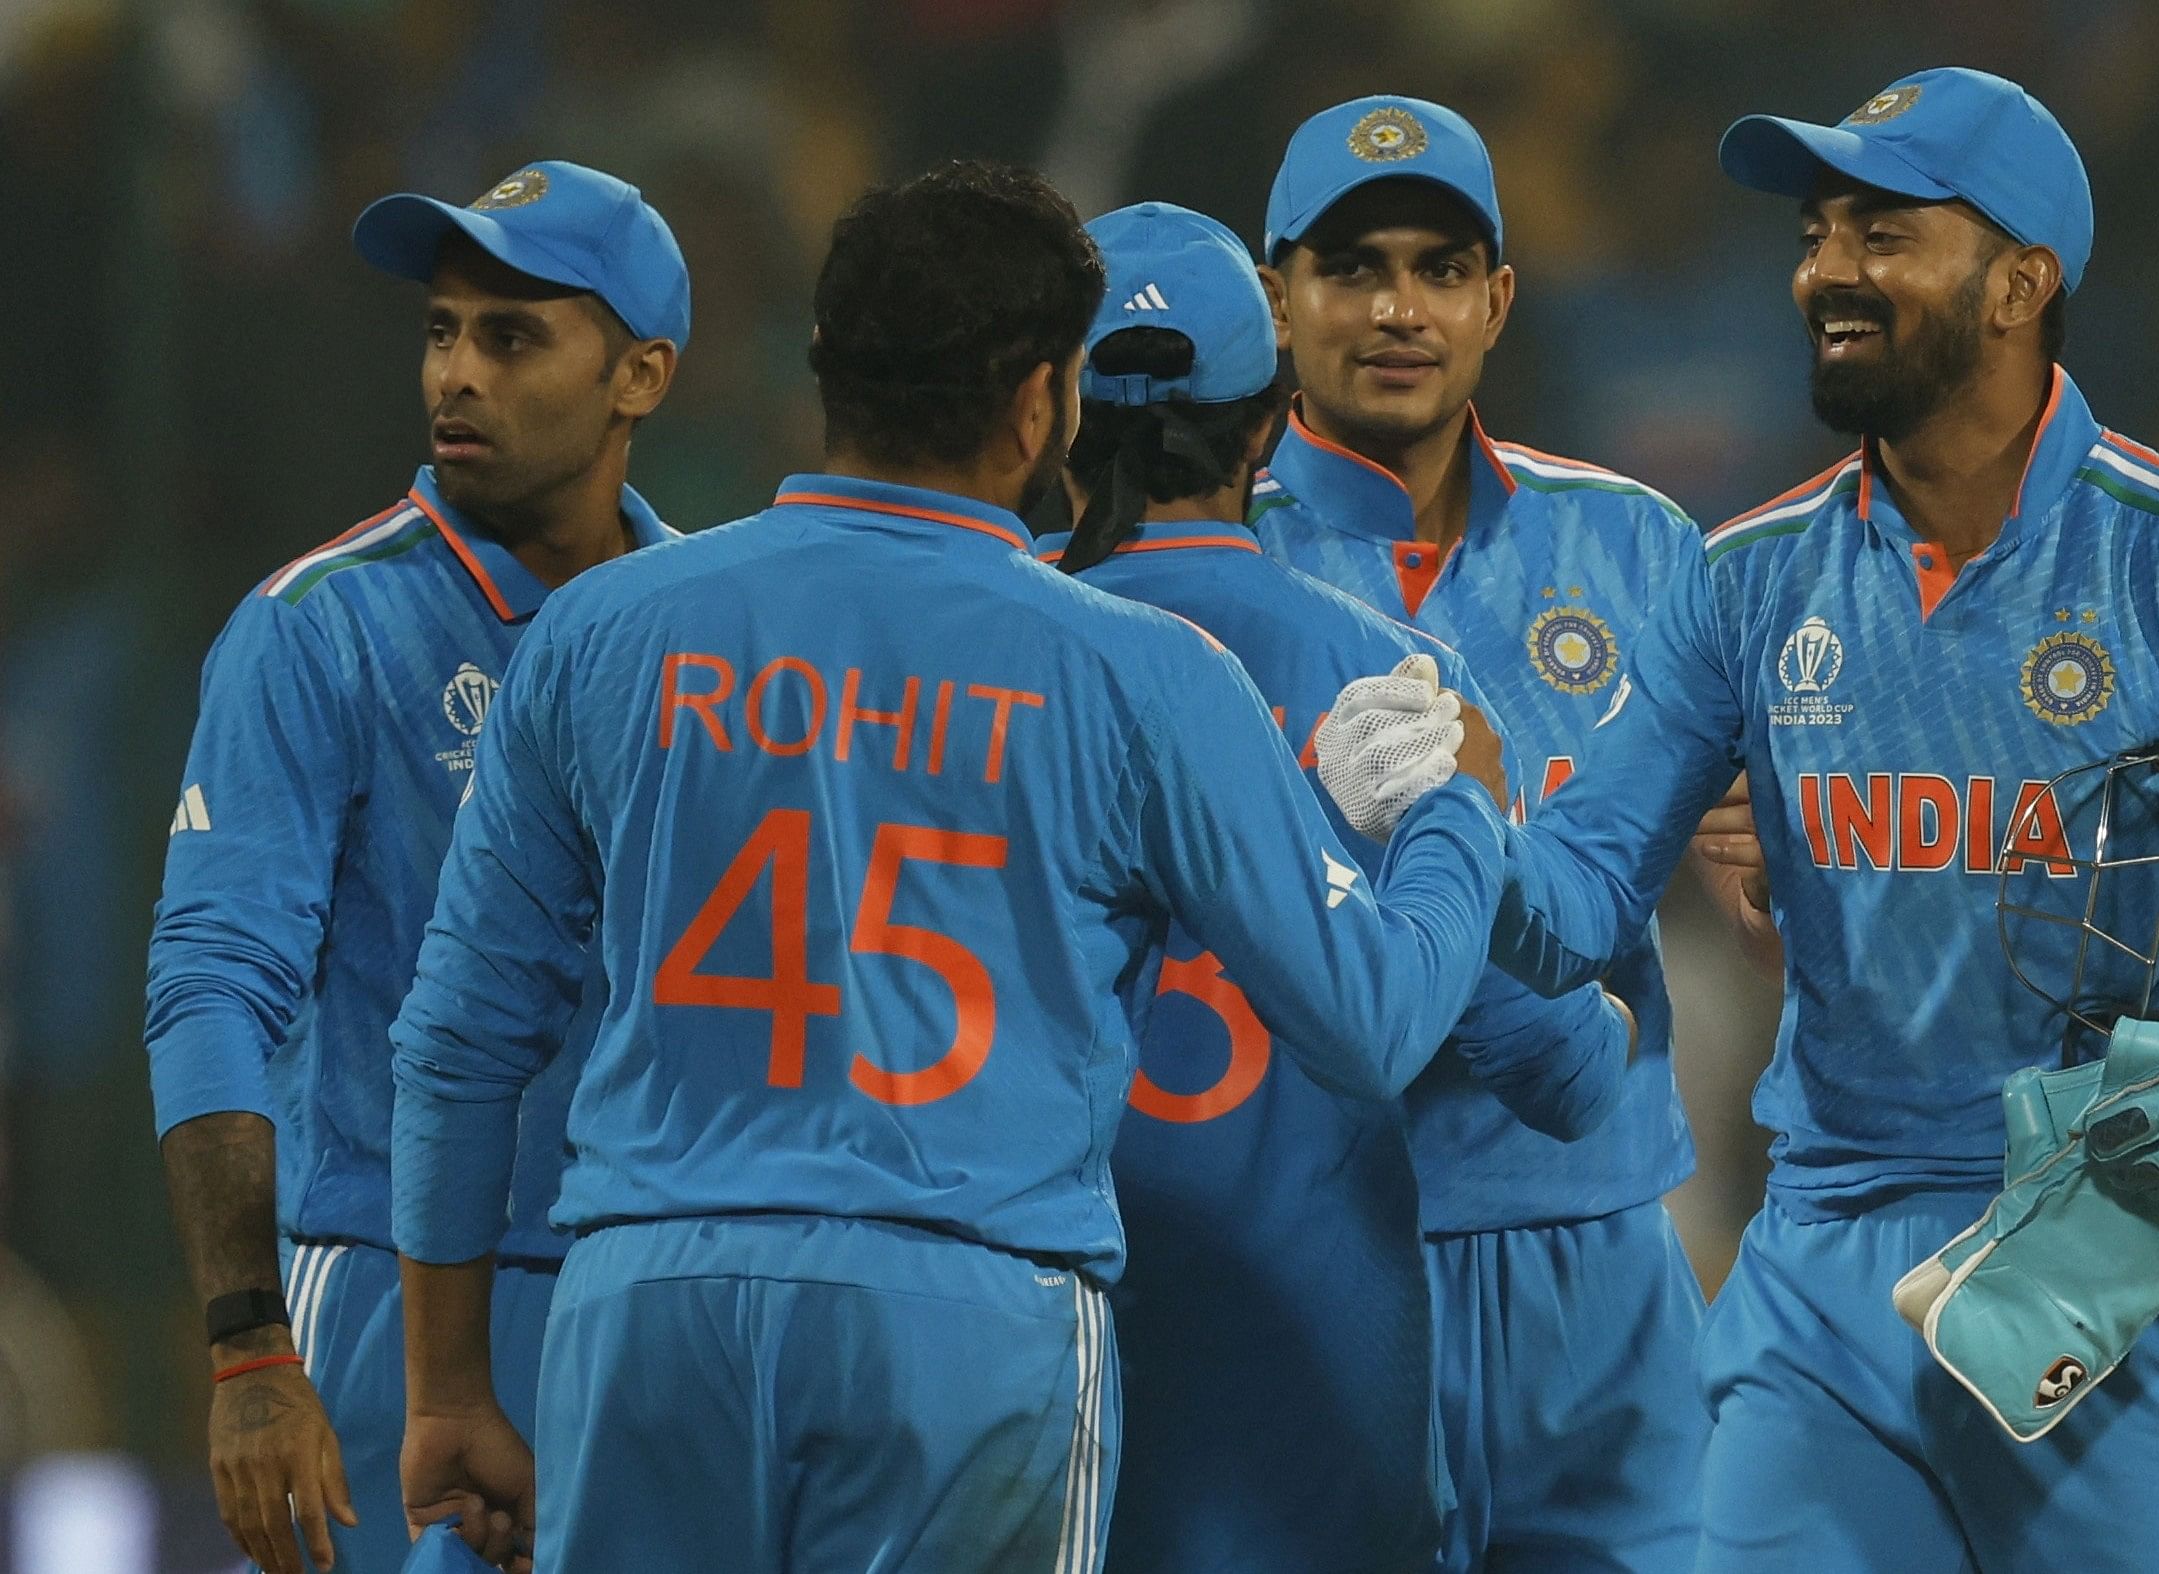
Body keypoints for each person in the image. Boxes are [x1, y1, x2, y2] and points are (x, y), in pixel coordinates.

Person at [1322, 67, 2159, 1572]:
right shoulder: (1746, 577)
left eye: (1883, 232)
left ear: (2018, 283)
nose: (1825, 269)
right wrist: (1457, 814)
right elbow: (1581, 902)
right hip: (1818, 1278)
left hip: (2106, 1258)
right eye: (1817, 231)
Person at [385, 162, 1517, 1574]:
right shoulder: (1137, 672)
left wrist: (443, 1392)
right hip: (963, 1308)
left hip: (649, 1296)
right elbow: (1368, 1019)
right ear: (1041, 397)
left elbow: (452, 1039)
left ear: (821, 366)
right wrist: (1457, 812)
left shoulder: (601, 630)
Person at [1042, 200, 1636, 1573]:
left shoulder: (964, 654)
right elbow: (1552, 1074)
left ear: (1053, 418)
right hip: (1302, 1367)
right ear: (1265, 426)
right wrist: (1591, 1022)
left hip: (1021, 1335)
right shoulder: (1386, 677)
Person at [141, 160, 685, 1574]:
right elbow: (211, 981)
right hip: (386, 1299)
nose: (456, 373)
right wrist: (248, 1346)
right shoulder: (317, 626)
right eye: (443, 329)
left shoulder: (717, 632)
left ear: (640, 374)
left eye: (511, 336)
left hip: (661, 1288)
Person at [1250, 96, 1709, 1571]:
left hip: (1597, 1252)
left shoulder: (1637, 543)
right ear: (1276, 295)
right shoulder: (1206, 557)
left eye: (1441, 268)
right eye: (1352, 266)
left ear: (1498, 298)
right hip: (1317, 1247)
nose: (1398, 308)